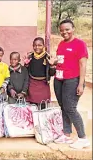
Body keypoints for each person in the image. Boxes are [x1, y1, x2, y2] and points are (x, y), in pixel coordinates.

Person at [52, 19, 90, 149]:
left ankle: (83, 138)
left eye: (67, 29)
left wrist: (80, 84)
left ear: (73, 29)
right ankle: (66, 135)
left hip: (72, 80)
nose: (64, 32)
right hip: (59, 79)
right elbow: (61, 59)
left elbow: (83, 64)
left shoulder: (80, 44)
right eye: (62, 30)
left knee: (70, 108)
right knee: (63, 107)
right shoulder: (61, 44)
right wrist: (54, 60)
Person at [24, 37, 56, 108]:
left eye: (39, 45)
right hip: (32, 83)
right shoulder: (30, 56)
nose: (37, 47)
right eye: (35, 45)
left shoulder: (48, 57)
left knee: (43, 105)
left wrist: (52, 65)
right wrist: (26, 63)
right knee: (32, 105)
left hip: (43, 84)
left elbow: (52, 73)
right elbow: (26, 71)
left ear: (43, 46)